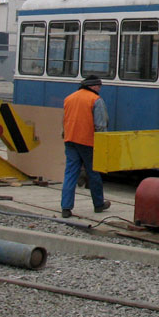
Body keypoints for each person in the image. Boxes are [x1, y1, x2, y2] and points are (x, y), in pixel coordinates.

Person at [60, 75, 111, 218]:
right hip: (87, 142)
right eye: (99, 86)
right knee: (94, 173)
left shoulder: (69, 98)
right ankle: (98, 204)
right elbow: (101, 125)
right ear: (93, 86)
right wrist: (103, 145)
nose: (100, 89)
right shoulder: (96, 100)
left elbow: (64, 120)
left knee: (70, 173)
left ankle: (66, 207)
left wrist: (65, 134)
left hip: (70, 140)